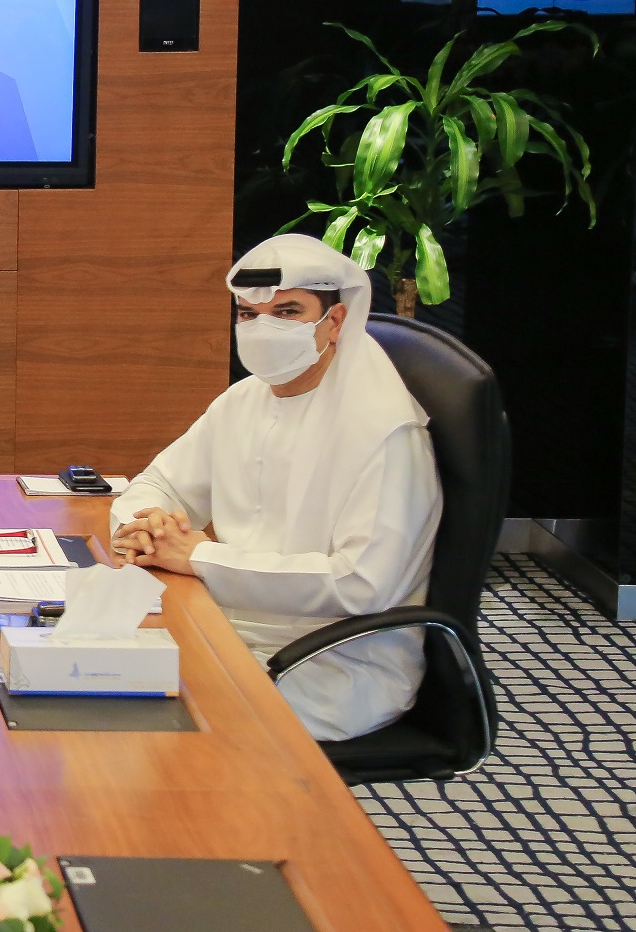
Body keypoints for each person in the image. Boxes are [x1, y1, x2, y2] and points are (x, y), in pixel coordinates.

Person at [108, 235, 441, 742]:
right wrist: (149, 523)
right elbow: (160, 483)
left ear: (335, 321)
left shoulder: (386, 431)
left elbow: (361, 585)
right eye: (248, 314)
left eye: (287, 312)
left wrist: (199, 557)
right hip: (223, 627)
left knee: (128, 720)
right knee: (77, 673)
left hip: (330, 663)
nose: (264, 328)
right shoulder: (245, 399)